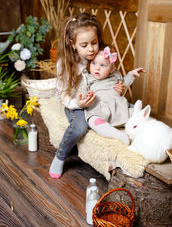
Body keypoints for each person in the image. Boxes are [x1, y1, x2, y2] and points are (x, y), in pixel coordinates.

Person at [49, 13, 126, 179]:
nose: (91, 49)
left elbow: (113, 74)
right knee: (79, 127)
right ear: (73, 44)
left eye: (94, 42)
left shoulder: (102, 54)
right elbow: (62, 94)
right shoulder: (65, 64)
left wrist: (119, 89)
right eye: (84, 45)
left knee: (127, 109)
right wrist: (78, 104)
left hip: (100, 100)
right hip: (75, 103)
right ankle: (60, 156)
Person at [77, 45, 146, 145]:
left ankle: (140, 121)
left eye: (102, 65)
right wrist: (85, 96)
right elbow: (81, 90)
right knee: (93, 121)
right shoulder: (87, 78)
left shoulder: (115, 75)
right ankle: (118, 135)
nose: (97, 68)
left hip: (117, 106)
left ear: (112, 68)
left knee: (137, 116)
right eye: (94, 63)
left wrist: (131, 75)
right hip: (99, 107)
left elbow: (123, 85)